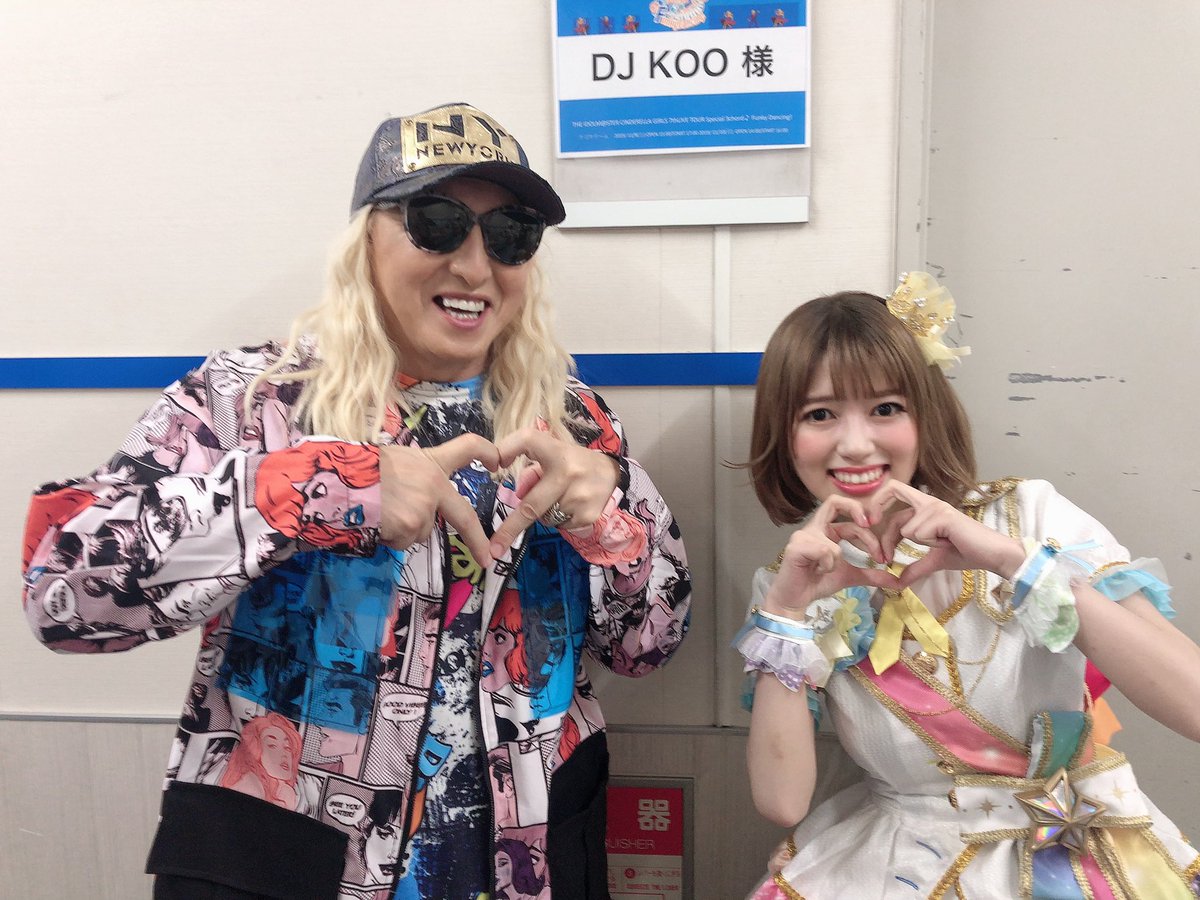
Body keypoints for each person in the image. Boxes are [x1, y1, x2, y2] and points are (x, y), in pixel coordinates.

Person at [22, 101, 691, 900]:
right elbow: (61, 595)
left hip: (527, 862)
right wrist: (328, 489)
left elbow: (647, 648)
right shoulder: (252, 400)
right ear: (366, 237)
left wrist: (613, 523)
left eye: (509, 235)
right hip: (286, 861)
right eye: (437, 224)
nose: (475, 266)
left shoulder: (574, 419)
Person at [736, 273, 1200, 899]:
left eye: (886, 408)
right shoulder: (793, 582)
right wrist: (786, 613)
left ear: (925, 414)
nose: (856, 444)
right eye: (820, 414)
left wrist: (1014, 562)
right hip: (901, 865)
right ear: (785, 435)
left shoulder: (1028, 517)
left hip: (1081, 857)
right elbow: (782, 801)